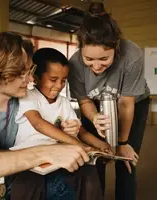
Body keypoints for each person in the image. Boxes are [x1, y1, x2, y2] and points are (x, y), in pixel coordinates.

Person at [0, 32, 92, 200]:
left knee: (80, 176)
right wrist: (45, 152)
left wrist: (66, 129)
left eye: (30, 71)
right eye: (23, 73)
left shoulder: (21, 100)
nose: (30, 79)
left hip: (15, 189)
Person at [68, 2, 150, 200]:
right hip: (94, 104)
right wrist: (94, 116)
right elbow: (84, 100)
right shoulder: (75, 63)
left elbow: (125, 103)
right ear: (81, 51)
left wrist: (122, 142)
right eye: (89, 59)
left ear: (116, 47)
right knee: (96, 157)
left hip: (132, 104)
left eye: (104, 59)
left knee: (125, 159)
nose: (96, 66)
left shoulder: (132, 55)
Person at [10, 47, 109, 200]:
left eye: (63, 81)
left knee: (88, 171)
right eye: (53, 80)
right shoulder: (29, 96)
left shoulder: (63, 102)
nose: (59, 85)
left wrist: (101, 145)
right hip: (32, 159)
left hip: (58, 157)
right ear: (35, 77)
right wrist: (78, 145)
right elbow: (38, 124)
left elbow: (81, 131)